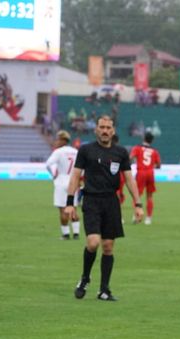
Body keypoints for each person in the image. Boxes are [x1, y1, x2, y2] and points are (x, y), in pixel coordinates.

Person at [64, 115, 144, 301]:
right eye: (102, 127)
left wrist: (138, 204)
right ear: (96, 130)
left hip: (111, 202)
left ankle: (104, 290)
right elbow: (75, 176)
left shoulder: (121, 152)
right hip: (91, 200)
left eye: (108, 127)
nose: (105, 130)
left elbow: (129, 180)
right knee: (93, 243)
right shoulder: (86, 150)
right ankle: (85, 278)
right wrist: (70, 203)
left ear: (113, 131)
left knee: (108, 247)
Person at [45, 130, 81, 240]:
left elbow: (48, 164)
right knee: (73, 208)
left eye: (57, 139)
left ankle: (65, 234)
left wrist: (53, 175)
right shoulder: (76, 151)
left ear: (62, 140)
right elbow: (82, 168)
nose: (56, 141)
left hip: (61, 181)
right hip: (73, 181)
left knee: (62, 210)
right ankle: (76, 233)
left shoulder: (58, 152)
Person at [130, 132, 162, 224]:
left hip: (141, 172)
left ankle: (137, 216)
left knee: (137, 196)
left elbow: (131, 157)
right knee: (149, 196)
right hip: (150, 173)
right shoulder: (154, 151)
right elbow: (159, 165)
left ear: (143, 138)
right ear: (152, 140)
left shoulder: (137, 148)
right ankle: (148, 218)